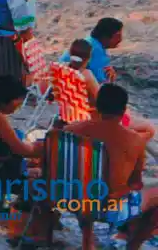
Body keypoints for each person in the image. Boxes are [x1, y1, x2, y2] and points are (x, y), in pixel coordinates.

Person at [67, 85, 156, 250]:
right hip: (111, 208)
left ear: (97, 107)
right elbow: (135, 183)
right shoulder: (135, 141)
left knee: (86, 185)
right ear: (123, 111)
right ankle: (133, 245)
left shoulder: (70, 131)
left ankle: (87, 240)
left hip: (71, 199)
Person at [0, 76, 49, 242]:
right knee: (41, 179)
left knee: (33, 167)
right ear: (4, 101)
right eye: (17, 101)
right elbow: (22, 150)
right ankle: (34, 226)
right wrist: (44, 149)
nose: (18, 106)